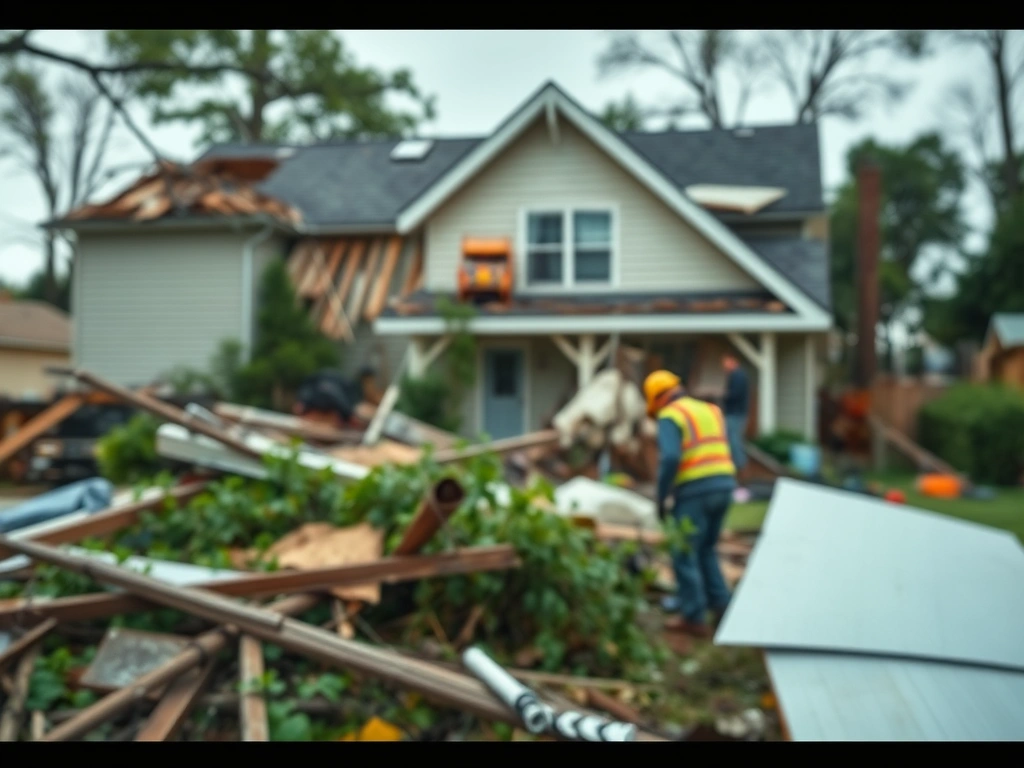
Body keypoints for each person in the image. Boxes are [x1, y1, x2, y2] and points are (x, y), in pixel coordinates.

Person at [644, 369, 737, 639]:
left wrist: (661, 496)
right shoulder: (710, 410)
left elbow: (670, 458)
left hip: (696, 490)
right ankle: (722, 606)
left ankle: (694, 616)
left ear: (658, 399)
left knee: (683, 551)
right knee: (706, 548)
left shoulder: (670, 415)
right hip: (724, 484)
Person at [721, 354, 749, 478]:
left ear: (733, 361)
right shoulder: (735, 375)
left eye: (725, 363)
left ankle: (742, 474)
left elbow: (734, 395)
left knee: (734, 443)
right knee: (732, 442)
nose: (724, 367)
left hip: (735, 414)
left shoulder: (738, 376)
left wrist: (723, 396)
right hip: (735, 414)